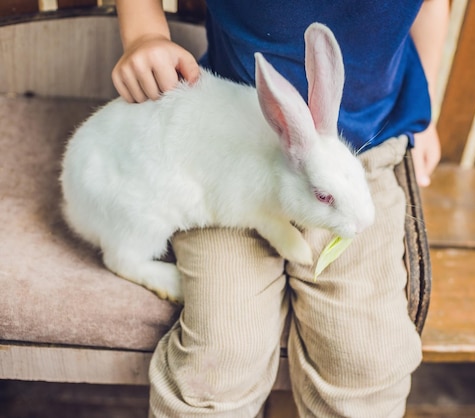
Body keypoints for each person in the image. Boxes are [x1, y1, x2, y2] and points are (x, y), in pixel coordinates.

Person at [112, 1, 449, 416]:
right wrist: (145, 34)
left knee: (366, 358)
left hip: (367, 148)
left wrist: (427, 110)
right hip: (227, 144)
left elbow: (432, 7)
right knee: (222, 355)